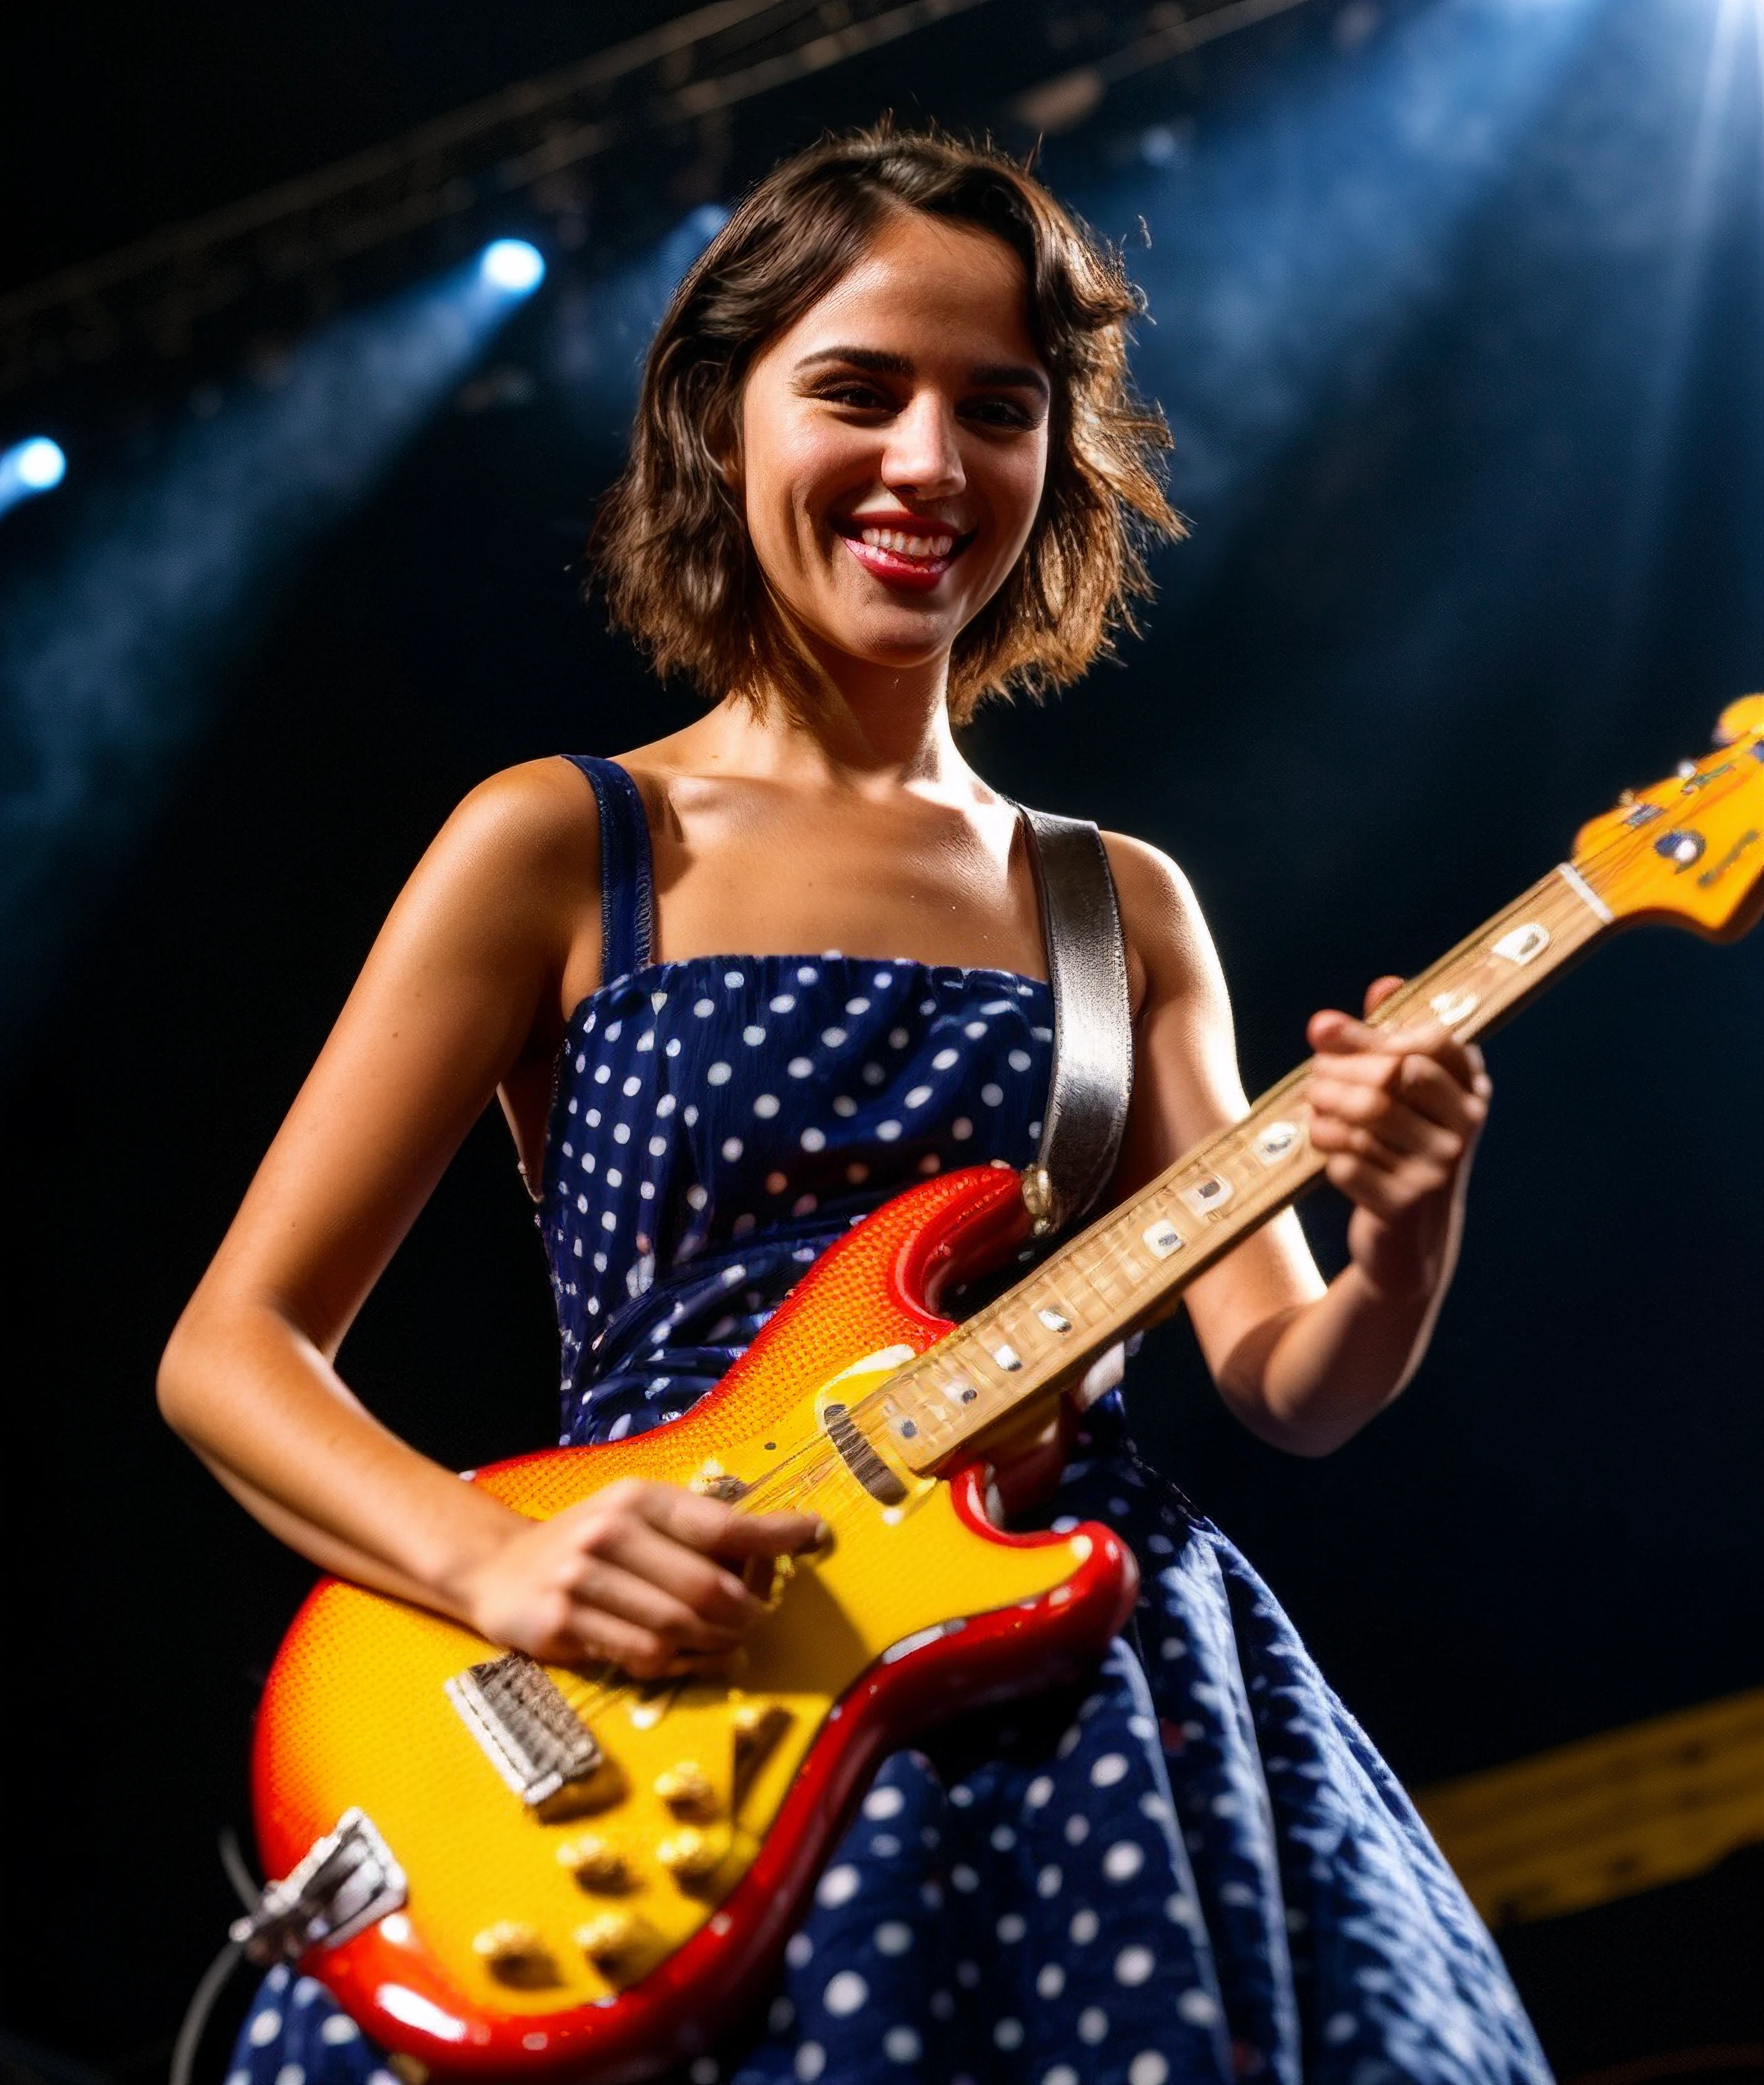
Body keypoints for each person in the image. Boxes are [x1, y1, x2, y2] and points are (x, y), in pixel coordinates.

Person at [161, 126, 1548, 2085]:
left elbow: (1289, 1380)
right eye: (856, 389)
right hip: (646, 1694)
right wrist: (489, 1565)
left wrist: (1410, 1219)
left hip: (1060, 1699)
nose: (929, 465)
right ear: (719, 421)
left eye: (999, 408)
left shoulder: (1116, 903)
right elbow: (233, 1352)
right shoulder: (566, 842)